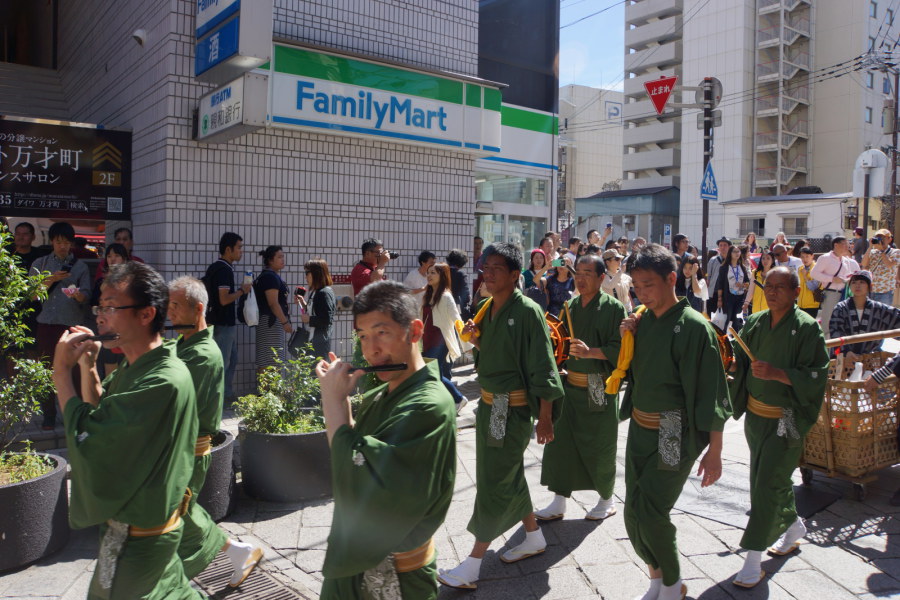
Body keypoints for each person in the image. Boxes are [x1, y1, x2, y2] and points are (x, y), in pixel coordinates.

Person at [51, 262, 200, 599]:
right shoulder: (139, 366)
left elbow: (94, 438)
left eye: (110, 307)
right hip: (144, 530)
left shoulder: (164, 379)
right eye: (99, 307)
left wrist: (60, 372)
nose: (100, 316)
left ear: (146, 314)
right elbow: (104, 411)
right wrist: (88, 365)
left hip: (141, 537)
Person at [315, 281, 457, 599]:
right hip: (359, 560)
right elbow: (352, 449)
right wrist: (342, 399)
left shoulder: (427, 405)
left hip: (396, 578)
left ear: (415, 331)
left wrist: (332, 402)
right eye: (363, 336)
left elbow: (368, 476)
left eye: (382, 333)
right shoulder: (384, 391)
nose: (370, 350)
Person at [438, 243, 565, 590]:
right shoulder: (485, 309)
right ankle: (533, 536)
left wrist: (546, 416)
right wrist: (477, 341)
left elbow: (543, 365)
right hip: (490, 406)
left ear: (514, 274)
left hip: (512, 408)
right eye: (485, 266)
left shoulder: (527, 311)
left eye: (495, 268)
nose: (487, 272)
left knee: (495, 479)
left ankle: (474, 561)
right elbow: (495, 352)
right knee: (503, 473)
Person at [620, 244, 730, 600]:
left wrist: (715, 451)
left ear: (671, 279)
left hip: (672, 429)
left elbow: (711, 393)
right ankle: (657, 579)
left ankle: (673, 585)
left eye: (648, 284)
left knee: (652, 512)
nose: (642, 292)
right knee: (633, 513)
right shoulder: (641, 320)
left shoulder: (695, 328)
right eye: (636, 285)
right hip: (640, 426)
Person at [727, 267, 829, 588]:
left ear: (796, 291)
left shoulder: (808, 329)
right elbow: (741, 366)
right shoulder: (756, 322)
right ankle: (794, 526)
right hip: (757, 417)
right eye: (767, 286)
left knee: (766, 483)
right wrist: (728, 367)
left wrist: (779, 374)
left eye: (780, 287)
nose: (771, 292)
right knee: (767, 477)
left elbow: (817, 374)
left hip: (787, 418)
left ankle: (753, 557)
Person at [168, 276, 263, 587]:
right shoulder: (182, 344)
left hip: (187, 447)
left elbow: (180, 408)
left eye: (175, 306)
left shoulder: (203, 355)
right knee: (180, 511)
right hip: (175, 445)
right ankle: (237, 552)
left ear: (198, 309)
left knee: (175, 511)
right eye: (168, 305)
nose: (169, 312)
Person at [536, 254, 626, 522]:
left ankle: (606, 499)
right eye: (579, 272)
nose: (582, 278)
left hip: (598, 384)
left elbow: (621, 349)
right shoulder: (569, 306)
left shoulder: (613, 308)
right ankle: (559, 500)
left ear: (601, 278)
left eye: (588, 273)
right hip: (569, 385)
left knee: (599, 444)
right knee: (561, 444)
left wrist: (591, 353)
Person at [31, 222, 91, 429]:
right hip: (46, 324)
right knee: (46, 371)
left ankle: (75, 416)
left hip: (71, 325)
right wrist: (50, 280)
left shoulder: (80, 267)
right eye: (58, 241)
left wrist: (78, 295)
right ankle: (49, 415)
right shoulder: (40, 263)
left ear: (71, 243)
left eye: (66, 242)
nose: (62, 246)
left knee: (74, 371)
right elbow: (32, 294)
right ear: (52, 241)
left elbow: (86, 297)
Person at [205, 232, 252, 402]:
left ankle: (227, 394)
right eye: (239, 248)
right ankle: (219, 399)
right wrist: (242, 291)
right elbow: (224, 299)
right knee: (223, 363)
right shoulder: (224, 269)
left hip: (219, 322)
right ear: (228, 249)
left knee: (231, 359)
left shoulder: (217, 267)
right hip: (223, 323)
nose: (241, 251)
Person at [421, 262, 470, 411]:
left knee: (430, 373)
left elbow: (457, 320)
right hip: (428, 340)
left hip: (440, 341)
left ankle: (458, 398)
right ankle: (447, 402)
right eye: (428, 272)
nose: (429, 275)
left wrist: (467, 345)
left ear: (442, 276)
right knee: (435, 374)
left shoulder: (446, 296)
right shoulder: (428, 295)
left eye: (433, 273)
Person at [829, 270, 900, 359]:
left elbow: (897, 320)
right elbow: (835, 331)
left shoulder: (879, 308)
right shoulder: (841, 308)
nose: (857, 285)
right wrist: (846, 352)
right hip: (844, 358)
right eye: (854, 282)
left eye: (862, 282)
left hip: (869, 359)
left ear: (870, 287)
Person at [92, 243, 131, 377]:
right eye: (109, 256)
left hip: (125, 329)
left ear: (124, 259)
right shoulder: (101, 281)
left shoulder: (132, 280)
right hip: (108, 327)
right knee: (110, 370)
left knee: (127, 369)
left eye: (117, 256)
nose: (112, 259)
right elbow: (98, 298)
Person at [810, 236, 860, 339]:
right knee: (828, 321)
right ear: (835, 245)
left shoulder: (846, 260)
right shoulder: (825, 258)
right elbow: (814, 273)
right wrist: (832, 279)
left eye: (848, 244)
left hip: (844, 293)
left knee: (843, 320)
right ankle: (827, 348)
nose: (847, 246)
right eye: (844, 244)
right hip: (831, 293)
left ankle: (838, 348)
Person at [253, 246, 292, 371]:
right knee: (270, 361)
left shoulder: (269, 276)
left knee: (271, 359)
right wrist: (284, 322)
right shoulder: (270, 277)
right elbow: (273, 303)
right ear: (270, 260)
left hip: (269, 321)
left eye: (283, 256)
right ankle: (267, 390)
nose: (283, 259)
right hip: (270, 322)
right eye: (279, 257)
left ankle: (269, 390)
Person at [299, 258, 337, 360]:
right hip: (312, 342)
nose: (305, 276)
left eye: (307, 273)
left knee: (318, 374)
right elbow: (316, 311)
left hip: (319, 345)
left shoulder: (324, 293)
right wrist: (303, 304)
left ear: (316, 273)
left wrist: (309, 320)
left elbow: (326, 319)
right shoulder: (316, 291)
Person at [861, 229, 900, 305]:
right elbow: (864, 263)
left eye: (883, 237)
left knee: (882, 315)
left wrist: (882, 250)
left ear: (889, 239)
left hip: (885, 291)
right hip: (871, 290)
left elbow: (889, 264)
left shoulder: (896, 252)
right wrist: (870, 247)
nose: (880, 239)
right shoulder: (873, 252)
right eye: (877, 237)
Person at [716, 244, 750, 330]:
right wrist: (719, 299)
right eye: (734, 251)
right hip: (728, 297)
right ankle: (725, 339)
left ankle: (736, 339)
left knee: (737, 320)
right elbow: (720, 283)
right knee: (727, 319)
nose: (737, 253)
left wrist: (742, 285)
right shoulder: (724, 267)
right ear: (730, 253)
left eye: (738, 251)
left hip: (740, 297)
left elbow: (747, 282)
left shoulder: (742, 267)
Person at [744, 251, 775, 315]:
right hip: (756, 308)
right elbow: (751, 290)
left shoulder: (775, 274)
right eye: (763, 258)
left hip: (769, 309)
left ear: (773, 260)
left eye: (768, 258)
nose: (765, 260)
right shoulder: (755, 273)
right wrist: (746, 303)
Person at [706, 237, 731, 314]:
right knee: (711, 316)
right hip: (713, 293)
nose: (723, 247)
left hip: (728, 293)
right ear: (718, 247)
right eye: (721, 245)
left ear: (729, 247)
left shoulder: (732, 260)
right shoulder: (713, 260)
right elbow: (708, 275)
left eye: (725, 245)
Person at [447, 249, 472, 320]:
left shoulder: (442, 272)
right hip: (456, 305)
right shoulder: (460, 274)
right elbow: (466, 292)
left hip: (442, 304)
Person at [797, 247, 821, 319]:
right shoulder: (800, 268)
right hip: (800, 304)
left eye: (807, 256)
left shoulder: (817, 268)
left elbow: (813, 287)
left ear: (812, 256)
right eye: (802, 257)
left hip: (812, 305)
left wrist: (805, 276)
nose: (805, 259)